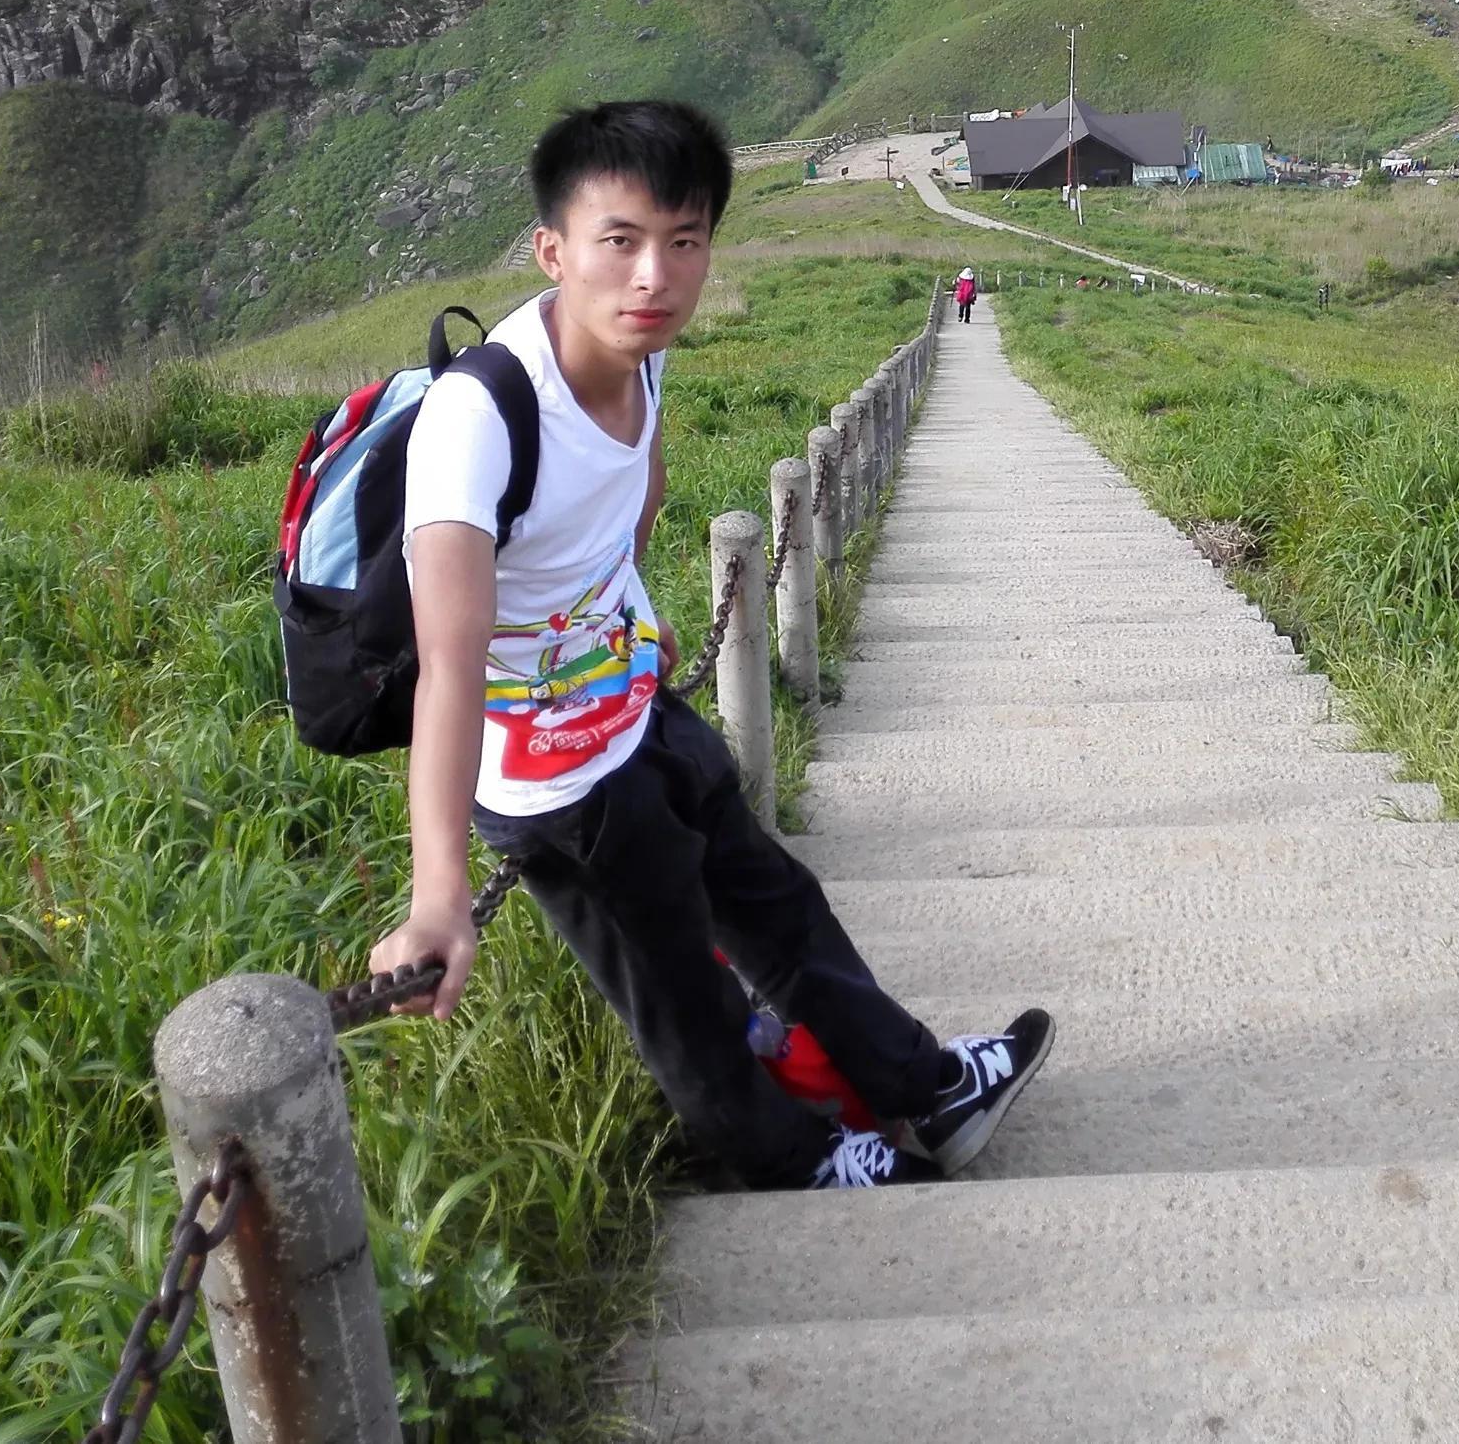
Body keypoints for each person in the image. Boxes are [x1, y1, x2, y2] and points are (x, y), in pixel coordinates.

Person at [369, 100, 1052, 1191]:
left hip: (635, 705)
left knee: (779, 903)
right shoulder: (479, 418)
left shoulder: (642, 359)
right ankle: (796, 1161)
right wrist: (439, 890)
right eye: (622, 241)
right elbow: (447, 667)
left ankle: (925, 1086)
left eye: (684, 241)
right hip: (552, 785)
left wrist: (632, 608)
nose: (655, 276)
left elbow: (632, 493)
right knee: (680, 990)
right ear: (554, 251)